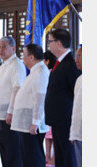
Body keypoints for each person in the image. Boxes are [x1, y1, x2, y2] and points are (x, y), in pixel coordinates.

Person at [44, 28, 81, 167]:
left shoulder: (70, 64)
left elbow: (75, 92)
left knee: (66, 156)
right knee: (60, 156)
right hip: (57, 120)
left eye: (50, 42)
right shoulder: (59, 62)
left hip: (65, 120)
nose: (49, 45)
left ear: (58, 43)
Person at [10, 44, 49, 167]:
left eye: (24, 55)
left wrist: (35, 122)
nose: (23, 58)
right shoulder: (35, 71)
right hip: (27, 122)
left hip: (32, 123)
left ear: (31, 57)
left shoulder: (41, 72)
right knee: (28, 156)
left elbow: (40, 97)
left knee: (34, 157)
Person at [0, 36, 26, 167]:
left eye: (4, 47)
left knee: (12, 151)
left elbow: (17, 89)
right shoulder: (3, 65)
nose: (0, 50)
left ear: (13, 48)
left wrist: (11, 111)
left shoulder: (16, 65)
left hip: (8, 114)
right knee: (4, 149)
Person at [43, 50, 57, 165]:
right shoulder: (47, 72)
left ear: (47, 61)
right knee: (48, 135)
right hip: (47, 107)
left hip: (51, 107)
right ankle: (48, 156)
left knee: (52, 135)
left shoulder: (51, 73)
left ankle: (52, 157)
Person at [70, 45, 82, 167]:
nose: (76, 60)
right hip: (78, 134)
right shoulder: (79, 80)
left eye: (79, 56)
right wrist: (73, 133)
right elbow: (76, 109)